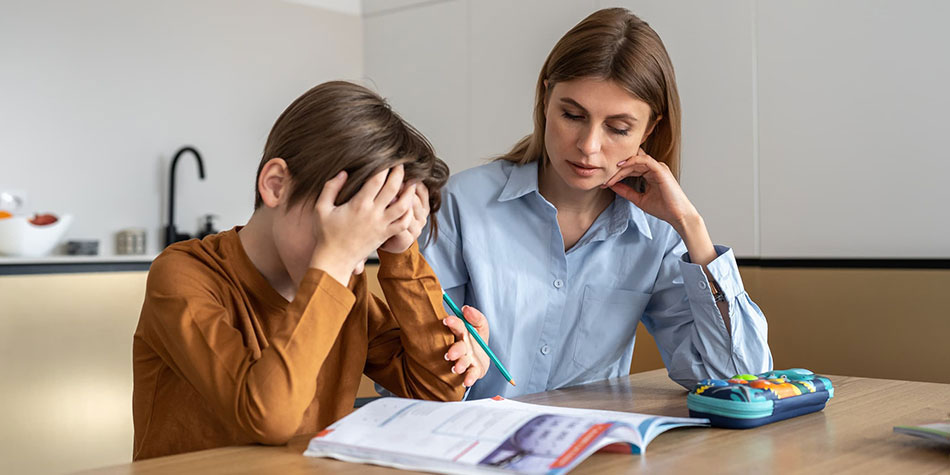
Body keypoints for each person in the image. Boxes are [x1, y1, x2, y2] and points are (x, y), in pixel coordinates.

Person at [421, 8, 771, 400]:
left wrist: (691, 225)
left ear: (650, 129)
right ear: (545, 98)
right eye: (572, 115)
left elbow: (739, 377)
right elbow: (408, 376)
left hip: (593, 456)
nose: (588, 146)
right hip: (468, 450)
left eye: (618, 128)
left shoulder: (657, 234)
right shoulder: (460, 206)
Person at [132, 81, 490, 459]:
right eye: (336, 231)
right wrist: (333, 262)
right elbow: (269, 417)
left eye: (364, 242)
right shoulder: (183, 275)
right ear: (276, 186)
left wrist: (401, 252)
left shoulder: (342, 286)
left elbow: (438, 390)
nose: (354, 262)